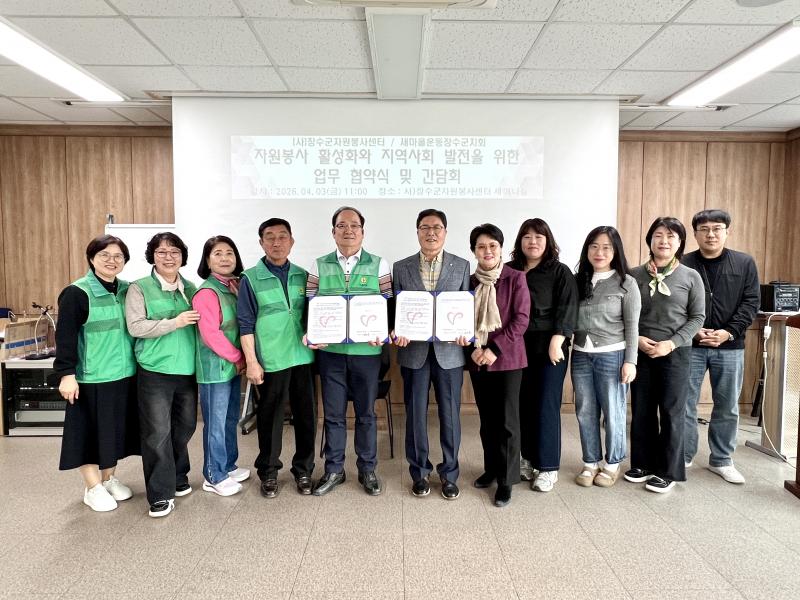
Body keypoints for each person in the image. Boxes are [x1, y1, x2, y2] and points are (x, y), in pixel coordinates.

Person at [305, 206, 393, 496]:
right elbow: (311, 305)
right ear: (333, 232)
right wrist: (310, 334)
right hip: (331, 354)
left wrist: (384, 332)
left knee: (366, 414)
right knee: (333, 415)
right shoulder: (319, 265)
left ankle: (367, 469)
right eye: (342, 225)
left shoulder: (378, 264)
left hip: (367, 355)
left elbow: (388, 305)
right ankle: (334, 470)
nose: (348, 230)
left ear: (363, 232)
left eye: (354, 225)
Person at [55, 235, 139, 512]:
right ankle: (92, 487)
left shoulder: (127, 290)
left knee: (113, 432)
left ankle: (109, 478)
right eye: (105, 255)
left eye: (118, 256)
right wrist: (67, 373)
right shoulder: (77, 293)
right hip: (90, 378)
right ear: (91, 258)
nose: (112, 261)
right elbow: (65, 337)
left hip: (123, 374)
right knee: (88, 434)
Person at [392, 209, 471, 500]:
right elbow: (396, 311)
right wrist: (396, 330)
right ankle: (420, 472)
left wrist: (466, 332)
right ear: (417, 232)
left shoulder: (462, 266)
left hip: (450, 353)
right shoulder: (401, 268)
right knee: (415, 415)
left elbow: (466, 309)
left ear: (446, 232)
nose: (431, 233)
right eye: (425, 227)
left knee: (450, 415)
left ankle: (449, 474)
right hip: (414, 353)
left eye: (437, 227)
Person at [238, 219, 316, 498]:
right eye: (269, 237)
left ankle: (304, 469)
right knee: (270, 419)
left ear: (292, 241)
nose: (276, 242)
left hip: (302, 357)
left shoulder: (303, 275)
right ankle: (269, 471)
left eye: (283, 237)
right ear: (261, 243)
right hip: (270, 360)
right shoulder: (250, 278)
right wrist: (252, 361)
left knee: (306, 416)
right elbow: (245, 323)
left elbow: (313, 316)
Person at [626, 217, 705, 494]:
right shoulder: (633, 275)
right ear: (650, 240)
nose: (664, 241)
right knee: (642, 409)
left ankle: (668, 471)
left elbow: (697, 318)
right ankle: (642, 464)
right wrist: (638, 341)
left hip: (675, 353)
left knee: (672, 412)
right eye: (658, 235)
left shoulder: (690, 276)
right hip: (642, 350)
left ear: (680, 242)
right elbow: (625, 314)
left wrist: (670, 344)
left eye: (671, 236)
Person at [682, 209, 759, 484]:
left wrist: (727, 332)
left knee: (726, 405)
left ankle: (722, 460)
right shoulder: (683, 262)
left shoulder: (744, 262)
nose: (711, 234)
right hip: (691, 345)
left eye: (717, 228)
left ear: (727, 231)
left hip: (731, 346)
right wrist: (693, 331)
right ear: (695, 233)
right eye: (704, 229)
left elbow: (751, 302)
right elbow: (676, 305)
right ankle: (684, 455)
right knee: (685, 403)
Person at [126, 232, 199, 517]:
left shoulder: (191, 288)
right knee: (157, 433)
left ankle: (179, 475)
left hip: (187, 370)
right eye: (162, 252)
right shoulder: (139, 288)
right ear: (152, 256)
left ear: (182, 256)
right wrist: (175, 322)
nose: (169, 257)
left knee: (185, 427)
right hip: (155, 370)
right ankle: (160, 492)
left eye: (174, 252)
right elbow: (136, 327)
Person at [507, 218, 577, 493]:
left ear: (548, 241)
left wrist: (557, 339)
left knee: (546, 405)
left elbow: (568, 307)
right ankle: (525, 458)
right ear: (519, 241)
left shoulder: (559, 271)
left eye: (538, 236)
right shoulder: (510, 270)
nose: (532, 241)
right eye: (527, 236)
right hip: (516, 345)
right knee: (520, 404)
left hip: (550, 346)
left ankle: (548, 467)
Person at [571, 226, 640, 488]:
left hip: (612, 355)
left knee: (613, 411)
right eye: (594, 246)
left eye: (606, 247)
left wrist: (630, 361)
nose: (599, 252)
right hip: (580, 355)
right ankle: (590, 462)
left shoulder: (626, 283)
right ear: (587, 249)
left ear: (615, 251)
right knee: (585, 411)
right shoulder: (578, 280)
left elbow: (633, 326)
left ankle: (612, 464)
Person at [468, 223, 530, 507]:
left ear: (501, 248)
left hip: (507, 360)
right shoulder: (470, 281)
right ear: (474, 251)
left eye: (492, 245)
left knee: (507, 421)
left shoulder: (515, 278)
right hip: (478, 359)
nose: (487, 251)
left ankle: (506, 480)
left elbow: (520, 320)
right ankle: (491, 468)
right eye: (481, 246)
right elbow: (459, 319)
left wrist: (493, 348)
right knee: (487, 420)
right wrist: (474, 347)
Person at [193, 235, 250, 498]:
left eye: (229, 252)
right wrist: (239, 358)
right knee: (215, 422)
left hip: (231, 365)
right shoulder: (207, 292)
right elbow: (211, 335)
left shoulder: (232, 287)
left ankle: (227, 465)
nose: (225, 258)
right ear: (207, 260)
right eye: (217, 253)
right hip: (216, 367)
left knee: (229, 418)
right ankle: (213, 474)